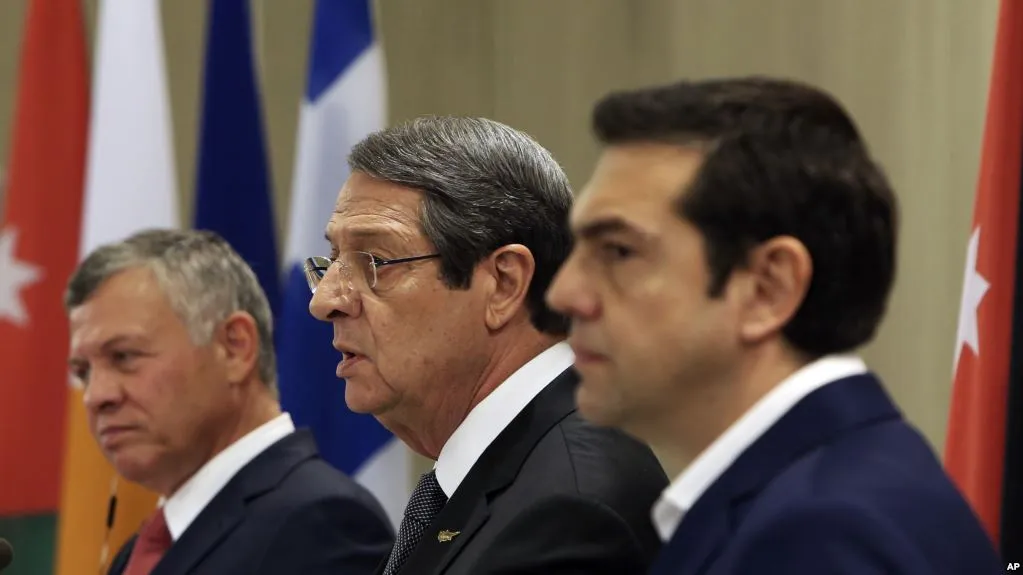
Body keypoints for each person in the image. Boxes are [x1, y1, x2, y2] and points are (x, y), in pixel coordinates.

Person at [545, 77, 1003, 574]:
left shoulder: (820, 536)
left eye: (618, 252)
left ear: (768, 289)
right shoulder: (832, 488)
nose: (563, 294)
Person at [306, 116, 668, 575]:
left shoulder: (567, 512)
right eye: (332, 262)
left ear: (504, 284)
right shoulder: (507, 476)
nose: (324, 301)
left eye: (376, 261)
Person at [66, 229, 394, 575]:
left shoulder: (321, 525)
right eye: (83, 371)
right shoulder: (136, 554)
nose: (96, 396)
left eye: (124, 356)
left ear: (234, 348)